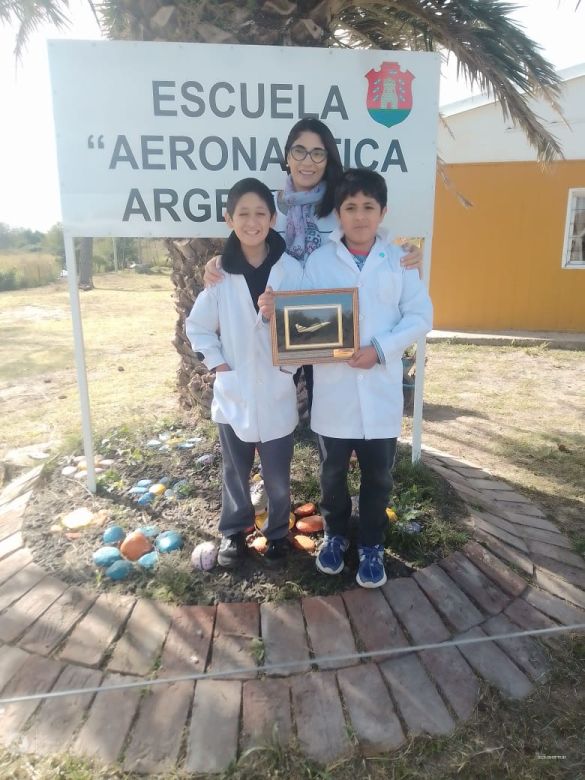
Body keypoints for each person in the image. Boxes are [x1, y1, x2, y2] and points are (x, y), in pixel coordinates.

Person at [203, 118, 424, 409]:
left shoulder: (339, 206)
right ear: (287, 156)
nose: (308, 161)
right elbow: (245, 238)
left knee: (330, 406)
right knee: (272, 404)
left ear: (328, 158)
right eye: (299, 151)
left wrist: (406, 253)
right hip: (275, 315)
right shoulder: (266, 205)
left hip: (329, 322)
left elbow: (369, 241)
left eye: (318, 153)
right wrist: (219, 260)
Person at [302, 168, 433, 588]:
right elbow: (302, 316)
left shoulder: (400, 259)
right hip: (334, 393)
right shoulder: (319, 261)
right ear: (338, 214)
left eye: (368, 207)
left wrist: (380, 349)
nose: (359, 216)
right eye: (350, 207)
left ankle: (372, 544)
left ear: (383, 211)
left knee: (379, 475)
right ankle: (336, 536)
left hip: (380, 391)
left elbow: (420, 316)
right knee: (332, 474)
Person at [185, 178, 301, 569]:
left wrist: (280, 311)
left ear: (272, 218)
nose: (252, 222)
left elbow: (309, 325)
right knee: (235, 469)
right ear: (229, 219)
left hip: (277, 387)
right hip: (234, 391)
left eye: (260, 213)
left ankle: (278, 535)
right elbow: (197, 327)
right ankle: (234, 532)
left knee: (277, 473)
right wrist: (219, 366)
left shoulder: (290, 271)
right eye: (243, 214)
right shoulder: (220, 274)